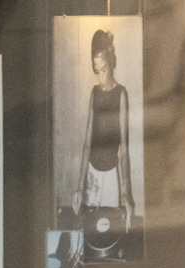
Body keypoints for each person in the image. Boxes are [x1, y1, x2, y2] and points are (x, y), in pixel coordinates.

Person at [76, 29, 134, 220]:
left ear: (111, 64)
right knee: (91, 230)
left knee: (110, 231)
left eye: (103, 70)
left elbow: (124, 150)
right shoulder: (94, 93)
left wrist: (126, 194)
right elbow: (87, 144)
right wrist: (80, 187)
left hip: (111, 176)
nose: (100, 77)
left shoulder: (121, 95)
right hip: (92, 173)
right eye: (96, 70)